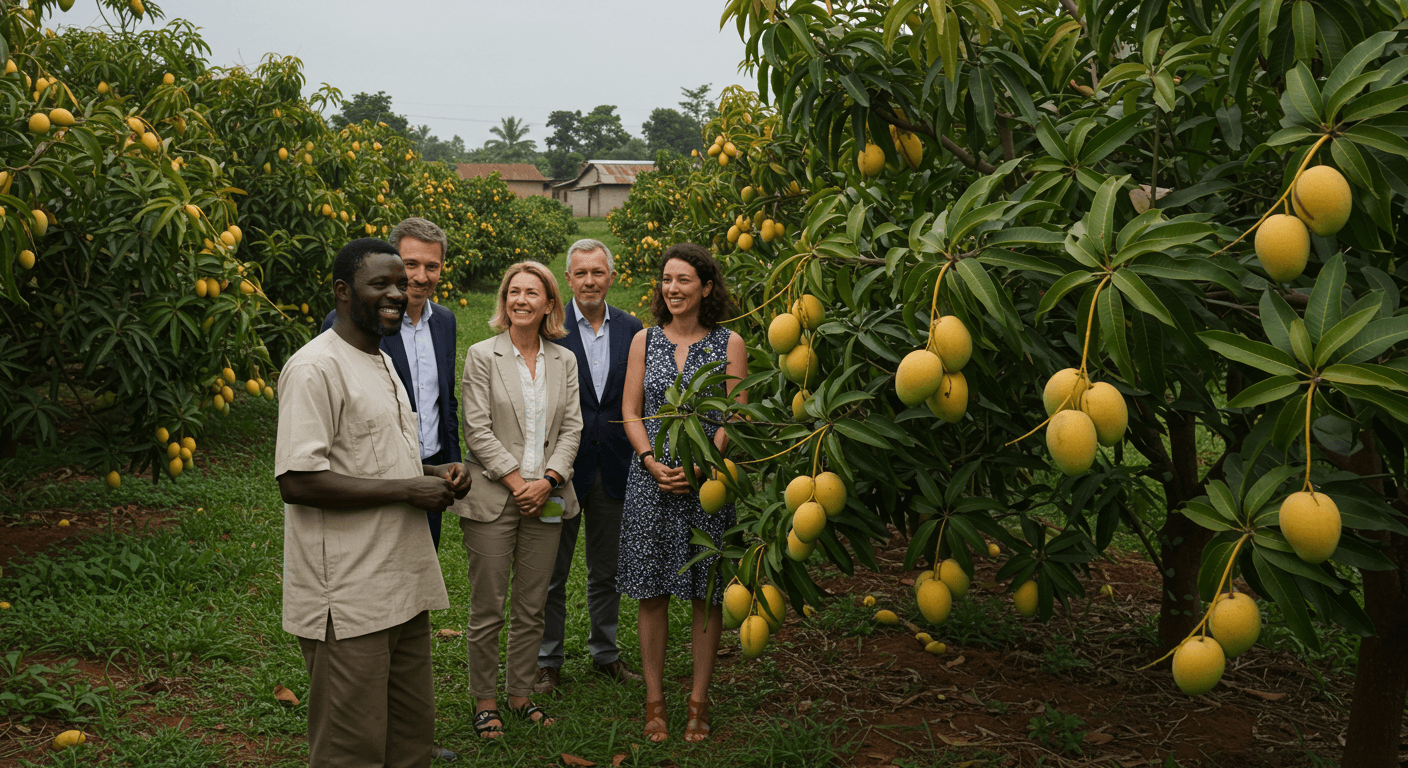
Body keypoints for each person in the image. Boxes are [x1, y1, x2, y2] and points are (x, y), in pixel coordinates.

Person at [275, 237, 470, 768]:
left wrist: (433, 473)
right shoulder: (315, 369)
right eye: (379, 284)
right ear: (342, 292)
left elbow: (374, 459)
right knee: (351, 748)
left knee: (409, 740)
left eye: (400, 284)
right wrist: (409, 489)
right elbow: (298, 480)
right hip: (348, 597)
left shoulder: (380, 361)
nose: (397, 294)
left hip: (401, 586)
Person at [620, 243, 748, 743]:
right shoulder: (645, 341)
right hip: (651, 480)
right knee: (650, 591)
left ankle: (698, 699)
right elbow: (631, 410)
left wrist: (702, 466)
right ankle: (654, 700)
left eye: (684, 281)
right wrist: (651, 461)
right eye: (666, 280)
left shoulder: (728, 342)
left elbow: (733, 414)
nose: (672, 289)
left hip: (707, 482)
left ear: (706, 288)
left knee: (705, 593)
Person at [454, 261, 583, 739]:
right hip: (494, 497)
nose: (521, 300)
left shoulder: (563, 360)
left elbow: (572, 427)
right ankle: (485, 700)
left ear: (550, 303)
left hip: (547, 496)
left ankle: (520, 692)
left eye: (533, 293)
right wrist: (517, 483)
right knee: (488, 606)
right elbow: (477, 429)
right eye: (514, 291)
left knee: (533, 605)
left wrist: (548, 480)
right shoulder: (482, 355)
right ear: (503, 300)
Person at [535, 239, 645, 694]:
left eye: (598, 272)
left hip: (614, 466)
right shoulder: (550, 327)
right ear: (568, 279)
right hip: (557, 471)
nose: (589, 281)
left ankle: (606, 653)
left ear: (612, 277)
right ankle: (546, 660)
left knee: (608, 569)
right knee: (549, 571)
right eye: (580, 273)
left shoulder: (632, 329)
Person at [322, 217, 460, 551]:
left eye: (432, 266)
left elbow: (445, 398)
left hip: (431, 474)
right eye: (410, 264)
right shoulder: (351, 323)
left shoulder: (444, 321)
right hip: (375, 478)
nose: (421, 276)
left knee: (421, 577)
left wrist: (453, 460)